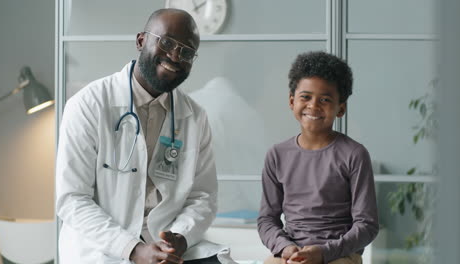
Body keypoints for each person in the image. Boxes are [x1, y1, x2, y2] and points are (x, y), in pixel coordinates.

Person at [56, 8, 235, 264]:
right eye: (167, 42)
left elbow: (202, 196)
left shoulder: (194, 117)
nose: (175, 56)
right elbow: (72, 199)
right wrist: (133, 249)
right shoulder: (89, 105)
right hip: (103, 249)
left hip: (164, 247)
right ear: (141, 41)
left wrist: (180, 238)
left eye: (186, 52)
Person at [257, 51, 379, 264]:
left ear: (341, 108)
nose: (313, 106)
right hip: (291, 254)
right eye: (306, 97)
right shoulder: (276, 155)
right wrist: (285, 248)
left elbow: (366, 225)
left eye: (325, 99)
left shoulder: (355, 155)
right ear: (292, 101)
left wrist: (323, 253)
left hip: (339, 255)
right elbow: (267, 220)